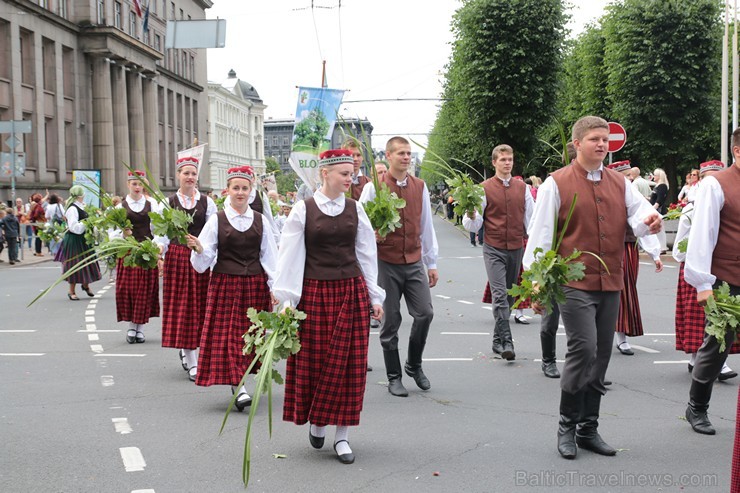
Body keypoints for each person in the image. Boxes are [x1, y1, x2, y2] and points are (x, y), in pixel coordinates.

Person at [524, 116, 661, 460]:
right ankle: (566, 427)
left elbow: (638, 216)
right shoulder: (557, 183)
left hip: (611, 279)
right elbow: (540, 235)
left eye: (605, 140)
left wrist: (650, 223)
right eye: (594, 139)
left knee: (601, 353)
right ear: (577, 144)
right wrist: (536, 283)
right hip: (573, 280)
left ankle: (589, 428)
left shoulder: (620, 183)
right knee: (583, 349)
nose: (602, 144)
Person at [275, 149, 384, 464]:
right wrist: (287, 300)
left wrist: (374, 296)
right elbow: (291, 256)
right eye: (345, 174)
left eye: (351, 174)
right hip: (315, 294)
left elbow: (366, 254)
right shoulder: (303, 210)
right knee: (317, 361)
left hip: (350, 291)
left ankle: (343, 436)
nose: (351, 180)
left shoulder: (356, 209)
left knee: (350, 365)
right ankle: (319, 420)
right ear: (325, 174)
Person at [187, 165, 278, 411]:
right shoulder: (217, 220)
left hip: (255, 286)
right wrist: (199, 250)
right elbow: (202, 263)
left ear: (251, 191)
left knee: (250, 337)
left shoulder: (260, 221)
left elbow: (270, 257)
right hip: (226, 284)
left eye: (245, 188)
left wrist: (274, 288)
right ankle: (239, 387)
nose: (240, 193)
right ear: (227, 190)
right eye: (236, 188)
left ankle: (241, 382)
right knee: (230, 336)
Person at [360, 136, 439, 397]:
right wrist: (373, 235)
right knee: (390, 320)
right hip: (387, 262)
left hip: (414, 259)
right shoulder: (374, 187)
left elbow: (426, 224)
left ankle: (414, 364)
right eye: (401, 153)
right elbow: (361, 224)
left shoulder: (420, 186)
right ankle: (394, 376)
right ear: (388, 156)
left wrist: (431, 261)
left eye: (408, 153)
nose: (406, 157)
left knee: (425, 313)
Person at [684, 130, 740, 436]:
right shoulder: (715, 184)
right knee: (718, 343)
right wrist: (702, 283)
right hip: (726, 278)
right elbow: (703, 233)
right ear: (737, 151)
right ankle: (697, 407)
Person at [463, 144, 534, 360]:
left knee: (511, 296)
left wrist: (534, 245)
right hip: (493, 247)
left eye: (510, 159)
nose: (507, 163)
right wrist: (473, 216)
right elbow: (472, 225)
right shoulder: (483, 188)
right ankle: (507, 341)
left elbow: (531, 220)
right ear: (494, 162)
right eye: (503, 159)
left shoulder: (523, 189)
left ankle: (496, 340)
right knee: (500, 295)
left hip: (515, 247)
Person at [673, 160, 738, 380]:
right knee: (704, 322)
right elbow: (684, 244)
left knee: (721, 326)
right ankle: (698, 362)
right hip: (703, 268)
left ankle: (718, 361)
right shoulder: (691, 206)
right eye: (707, 175)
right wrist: (695, 269)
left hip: (722, 268)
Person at [157, 157, 217, 382]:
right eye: (186, 173)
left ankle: (191, 349)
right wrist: (159, 249)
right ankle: (192, 359)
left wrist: (207, 252)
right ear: (178, 176)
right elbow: (161, 233)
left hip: (200, 258)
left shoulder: (206, 203)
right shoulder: (168, 202)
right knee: (184, 308)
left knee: (201, 306)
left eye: (193, 173)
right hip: (178, 259)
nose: (190, 177)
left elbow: (213, 231)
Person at [607, 161, 664, 355]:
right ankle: (612, 336)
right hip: (607, 248)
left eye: (629, 175)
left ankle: (620, 335)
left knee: (627, 290)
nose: (629, 179)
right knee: (613, 291)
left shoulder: (631, 194)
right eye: (625, 175)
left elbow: (645, 218)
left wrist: (654, 253)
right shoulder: (606, 191)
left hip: (628, 247)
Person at [111, 170, 162, 344]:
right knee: (128, 290)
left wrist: (156, 247)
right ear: (128, 184)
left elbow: (158, 229)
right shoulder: (119, 208)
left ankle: (138, 328)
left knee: (144, 291)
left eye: (141, 184)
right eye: (135, 183)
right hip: (128, 253)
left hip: (146, 253)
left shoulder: (152, 204)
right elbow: (112, 233)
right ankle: (133, 326)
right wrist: (123, 234)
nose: (138, 187)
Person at [54, 186, 102, 300]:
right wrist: (87, 223)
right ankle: (71, 291)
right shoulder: (72, 209)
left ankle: (85, 285)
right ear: (80, 195)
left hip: (84, 239)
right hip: (75, 239)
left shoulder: (83, 206)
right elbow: (73, 227)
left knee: (87, 263)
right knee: (75, 265)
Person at [649, 168, 669, 252]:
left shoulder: (662, 186)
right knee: (657, 229)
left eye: (655, 175)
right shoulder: (658, 186)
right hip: (655, 209)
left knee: (660, 229)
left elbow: (659, 199)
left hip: (658, 210)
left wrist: (653, 208)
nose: (654, 177)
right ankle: (659, 246)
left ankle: (662, 247)